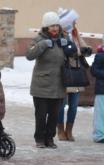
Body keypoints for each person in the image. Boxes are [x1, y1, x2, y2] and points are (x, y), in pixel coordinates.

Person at [26, 12, 76, 148]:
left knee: (54, 115)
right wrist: (42, 45)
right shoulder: (38, 39)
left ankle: (50, 138)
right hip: (41, 85)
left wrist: (68, 46)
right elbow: (29, 55)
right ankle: (40, 139)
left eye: (56, 25)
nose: (55, 28)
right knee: (41, 115)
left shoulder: (62, 39)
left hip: (58, 84)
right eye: (51, 26)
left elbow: (74, 52)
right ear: (46, 27)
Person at [57, 8, 92, 141]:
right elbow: (66, 51)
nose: (75, 23)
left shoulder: (75, 34)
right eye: (73, 21)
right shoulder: (60, 37)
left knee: (74, 104)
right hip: (65, 75)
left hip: (77, 75)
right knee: (62, 104)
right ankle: (60, 130)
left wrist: (87, 49)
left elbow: (83, 47)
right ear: (67, 22)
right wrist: (79, 51)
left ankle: (69, 130)